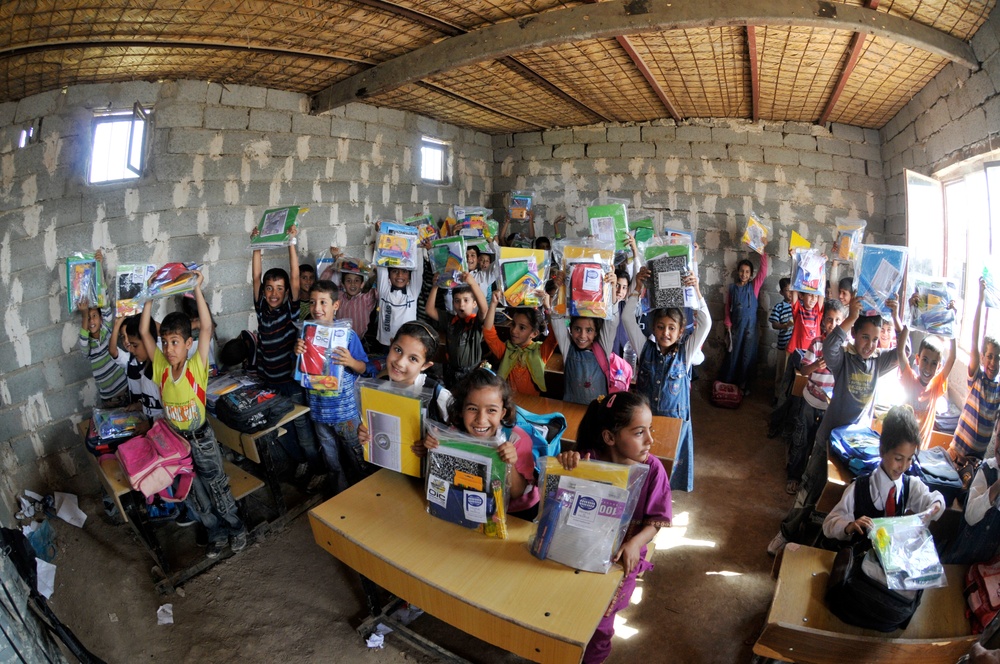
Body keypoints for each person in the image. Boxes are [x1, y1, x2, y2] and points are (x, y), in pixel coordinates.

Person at [768, 296, 902, 555]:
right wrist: (851, 315)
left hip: (856, 447)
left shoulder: (876, 363)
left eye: (875, 339)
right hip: (828, 439)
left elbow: (901, 353)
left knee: (844, 498)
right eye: (865, 337)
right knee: (810, 488)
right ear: (854, 335)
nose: (870, 345)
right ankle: (787, 532)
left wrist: (895, 319)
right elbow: (830, 347)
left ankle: (822, 540)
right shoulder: (844, 360)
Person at [555, 392, 671, 664]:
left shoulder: (653, 470)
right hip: (579, 552)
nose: (650, 440)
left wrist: (635, 543)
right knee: (568, 609)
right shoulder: (586, 461)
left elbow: (656, 520)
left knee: (601, 624)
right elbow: (559, 502)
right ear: (609, 437)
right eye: (639, 432)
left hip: (620, 560)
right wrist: (566, 466)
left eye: (649, 430)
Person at [138, 271, 248, 558]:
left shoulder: (195, 367)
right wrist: (149, 297)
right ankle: (216, 533)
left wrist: (197, 288)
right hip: (178, 445)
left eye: (175, 342)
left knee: (217, 487)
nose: (169, 348)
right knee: (195, 493)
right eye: (165, 342)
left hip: (202, 440)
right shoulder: (161, 368)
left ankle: (236, 528)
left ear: (188, 344)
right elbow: (143, 333)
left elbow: (207, 327)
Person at [621, 266, 710, 492]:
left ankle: (662, 497)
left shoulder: (686, 352)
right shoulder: (644, 348)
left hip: (674, 423)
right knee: (644, 466)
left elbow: (706, 323)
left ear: (681, 332)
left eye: (672, 328)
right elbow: (626, 317)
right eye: (660, 327)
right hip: (646, 421)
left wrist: (696, 291)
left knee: (667, 469)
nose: (665, 333)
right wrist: (636, 286)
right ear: (653, 327)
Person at [411, 368, 540, 519]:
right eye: (472, 409)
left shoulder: (516, 439)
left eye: (491, 410)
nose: (481, 419)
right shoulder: (452, 434)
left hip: (516, 512)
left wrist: (509, 463)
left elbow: (518, 493)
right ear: (460, 410)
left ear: (502, 413)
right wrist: (431, 448)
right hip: (474, 507)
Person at [251, 225, 321, 482]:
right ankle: (302, 462)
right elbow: (256, 276)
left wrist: (292, 241)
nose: (273, 293)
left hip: (291, 381)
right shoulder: (261, 309)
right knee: (283, 425)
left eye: (279, 288)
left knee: (302, 425)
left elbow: (294, 275)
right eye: (270, 288)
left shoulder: (290, 310)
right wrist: (256, 245)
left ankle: (317, 466)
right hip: (269, 380)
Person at [822, 405, 944, 542]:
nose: (903, 466)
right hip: (862, 558)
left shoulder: (910, 486)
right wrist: (850, 526)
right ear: (882, 451)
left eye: (909, 459)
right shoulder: (859, 488)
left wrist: (935, 506)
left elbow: (933, 499)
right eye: (898, 459)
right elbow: (829, 524)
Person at [294, 280, 371, 493]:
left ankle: (366, 492)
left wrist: (351, 362)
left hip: (345, 412)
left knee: (357, 455)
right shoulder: (305, 335)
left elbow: (365, 368)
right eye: (312, 302)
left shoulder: (347, 335)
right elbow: (302, 374)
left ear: (335, 306)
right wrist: (298, 352)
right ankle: (340, 494)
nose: (317, 308)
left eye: (323, 302)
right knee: (331, 459)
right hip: (319, 412)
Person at [786, 300, 846, 495]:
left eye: (838, 320)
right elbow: (803, 370)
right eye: (829, 319)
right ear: (823, 322)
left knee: (818, 446)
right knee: (801, 440)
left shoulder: (846, 348)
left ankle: (808, 481)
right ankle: (794, 476)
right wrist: (815, 366)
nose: (833, 324)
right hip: (810, 401)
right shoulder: (818, 343)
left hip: (829, 407)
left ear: (844, 322)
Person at [950, 278, 1000, 463]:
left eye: (998, 358)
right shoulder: (976, 378)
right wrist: (980, 299)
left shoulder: (999, 390)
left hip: (975, 461)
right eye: (990, 356)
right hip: (956, 453)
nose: (993, 362)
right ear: (982, 356)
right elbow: (974, 337)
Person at [78, 252, 128, 407]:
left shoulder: (106, 330)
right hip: (108, 399)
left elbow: (104, 301)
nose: (91, 320)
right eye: (89, 318)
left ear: (101, 319)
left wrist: (98, 267)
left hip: (126, 389)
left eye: (94, 316)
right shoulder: (87, 346)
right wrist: (85, 313)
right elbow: (83, 337)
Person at [483, 292, 557, 397]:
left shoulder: (540, 351)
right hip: (509, 404)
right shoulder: (506, 350)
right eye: (513, 324)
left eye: (522, 328)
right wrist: (493, 304)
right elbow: (489, 334)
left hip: (532, 406)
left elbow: (555, 335)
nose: (514, 331)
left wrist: (547, 307)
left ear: (534, 333)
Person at [897, 322, 955, 448]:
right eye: (925, 360)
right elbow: (901, 352)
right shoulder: (910, 380)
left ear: (939, 367)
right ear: (917, 360)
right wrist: (909, 322)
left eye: (934, 363)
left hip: (921, 451)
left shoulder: (936, 386)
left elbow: (952, 358)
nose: (928, 368)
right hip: (902, 445)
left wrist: (952, 324)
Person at [720, 253, 769, 395]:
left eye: (747, 272)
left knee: (747, 356)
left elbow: (764, 270)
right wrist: (727, 322)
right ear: (737, 272)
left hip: (750, 330)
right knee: (733, 355)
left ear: (751, 274)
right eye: (742, 271)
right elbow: (727, 308)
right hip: (736, 328)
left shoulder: (754, 287)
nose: (744, 274)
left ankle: (743, 385)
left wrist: (762, 251)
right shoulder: (732, 289)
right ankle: (729, 383)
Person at [945, 439, 1000, 564]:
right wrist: (996, 487)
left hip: (992, 567)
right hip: (965, 558)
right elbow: (970, 516)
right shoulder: (987, 470)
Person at [426, 274, 487, 387]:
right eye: (457, 301)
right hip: (451, 372)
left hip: (471, 374)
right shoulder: (450, 320)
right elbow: (429, 310)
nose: (461, 304)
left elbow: (484, 309)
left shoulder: (475, 323)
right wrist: (435, 287)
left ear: (474, 304)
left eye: (466, 300)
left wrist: (472, 283)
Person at [109, 314, 163, 428]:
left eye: (135, 345)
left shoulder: (161, 372)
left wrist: (149, 423)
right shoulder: (144, 368)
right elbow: (154, 403)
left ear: (148, 341)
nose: (131, 350)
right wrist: (140, 405)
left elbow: (171, 412)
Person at [374, 234, 425, 351]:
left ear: (409, 275)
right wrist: (380, 234)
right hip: (385, 343)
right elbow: (381, 265)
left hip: (406, 344)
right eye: (395, 271)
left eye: (404, 272)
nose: (400, 275)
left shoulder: (413, 292)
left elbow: (418, 268)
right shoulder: (384, 290)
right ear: (389, 275)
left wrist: (417, 244)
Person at [327, 247, 377, 346]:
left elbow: (382, 290)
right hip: (339, 341)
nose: (352, 284)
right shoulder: (339, 297)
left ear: (362, 284)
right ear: (343, 284)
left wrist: (375, 269)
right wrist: (336, 262)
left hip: (359, 342)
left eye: (357, 281)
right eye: (348, 281)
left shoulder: (366, 299)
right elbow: (325, 282)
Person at [769, 277, 794, 400]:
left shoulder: (799, 306)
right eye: (787, 290)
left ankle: (787, 398)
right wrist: (785, 326)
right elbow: (774, 324)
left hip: (795, 347)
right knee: (780, 372)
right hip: (783, 346)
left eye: (792, 290)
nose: (790, 293)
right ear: (781, 292)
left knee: (792, 373)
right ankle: (777, 396)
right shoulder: (779, 307)